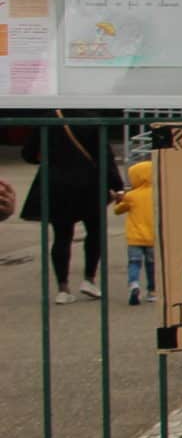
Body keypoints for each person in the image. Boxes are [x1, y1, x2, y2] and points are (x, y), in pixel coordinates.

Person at [21, 115, 120, 304]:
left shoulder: (48, 117)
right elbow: (104, 156)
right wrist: (117, 184)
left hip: (56, 184)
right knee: (95, 232)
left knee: (61, 236)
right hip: (90, 184)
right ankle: (89, 279)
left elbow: (29, 153)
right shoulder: (91, 117)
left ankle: (63, 288)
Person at [112, 153, 156, 305]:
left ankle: (134, 284)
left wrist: (118, 200)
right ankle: (152, 291)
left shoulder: (131, 196)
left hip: (134, 238)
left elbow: (118, 211)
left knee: (134, 263)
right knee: (152, 265)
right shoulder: (157, 193)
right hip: (153, 237)